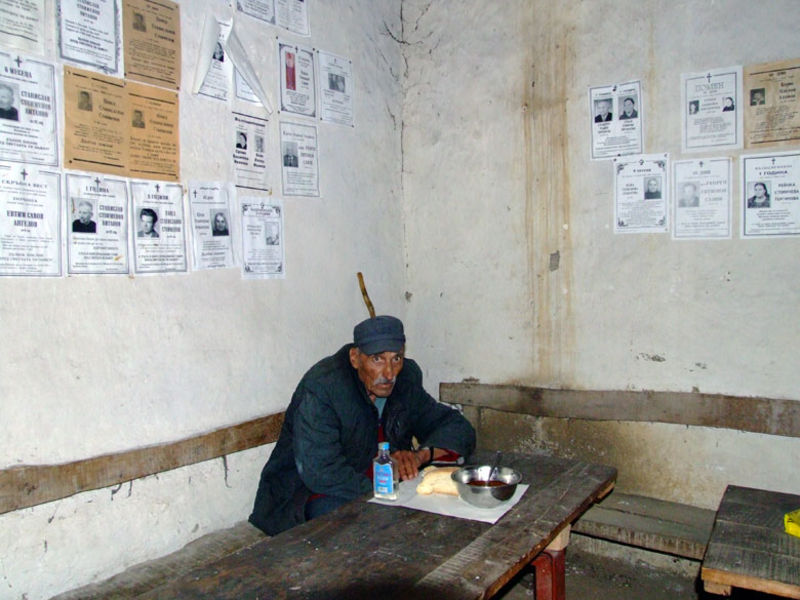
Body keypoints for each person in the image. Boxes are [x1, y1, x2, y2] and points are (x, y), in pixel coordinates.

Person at [249, 315, 476, 535]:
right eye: (377, 359)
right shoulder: (323, 387)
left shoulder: (405, 380)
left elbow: (455, 426)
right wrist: (387, 486)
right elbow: (320, 472)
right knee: (354, 522)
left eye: (396, 358)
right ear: (355, 358)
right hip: (306, 495)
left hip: (380, 483)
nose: (389, 373)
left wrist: (420, 456)